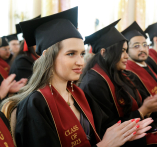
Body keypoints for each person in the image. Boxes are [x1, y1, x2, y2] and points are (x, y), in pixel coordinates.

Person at [1, 7, 149, 147]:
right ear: (47, 57)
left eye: (82, 54)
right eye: (71, 53)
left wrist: (126, 132)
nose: (80, 62)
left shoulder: (77, 93)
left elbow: (103, 130)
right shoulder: (35, 104)